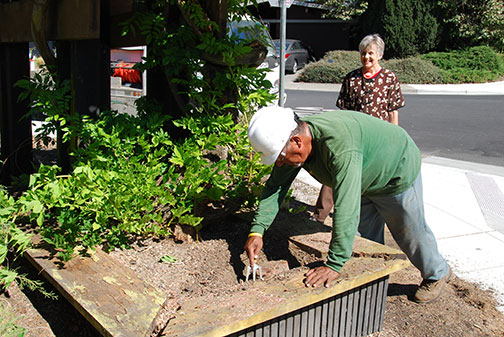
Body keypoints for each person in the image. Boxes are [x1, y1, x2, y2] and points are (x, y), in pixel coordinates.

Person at [244, 105, 451, 304]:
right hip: (363, 175)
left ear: (297, 141)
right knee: (367, 241)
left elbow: (345, 207)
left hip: (395, 170)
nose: (279, 164)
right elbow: (275, 187)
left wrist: (333, 265)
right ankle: (374, 284)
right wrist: (257, 231)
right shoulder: (295, 144)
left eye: (279, 157)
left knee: (409, 231)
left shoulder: (339, 146)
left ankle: (436, 273)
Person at [312, 34, 405, 223]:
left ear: (379, 54)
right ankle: (320, 214)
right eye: (363, 53)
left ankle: (369, 217)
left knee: (375, 178)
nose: (366, 57)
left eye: (370, 53)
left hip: (380, 138)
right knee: (336, 173)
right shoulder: (351, 78)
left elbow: (393, 111)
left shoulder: (389, 78)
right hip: (353, 136)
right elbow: (343, 111)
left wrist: (395, 138)